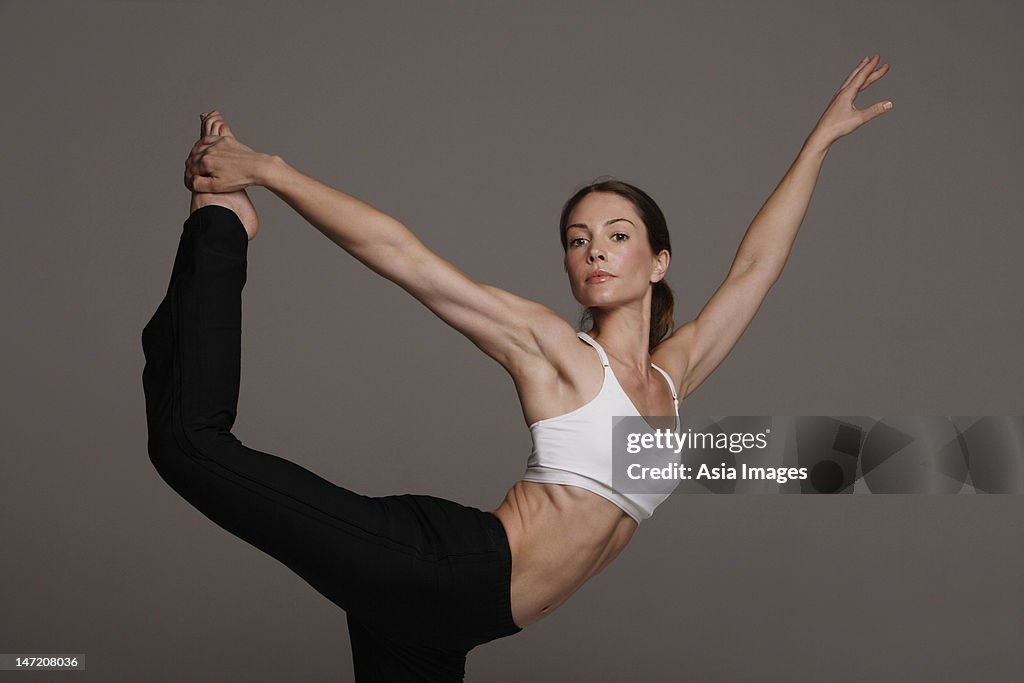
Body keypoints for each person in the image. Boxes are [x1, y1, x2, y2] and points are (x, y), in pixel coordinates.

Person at [142, 55, 892, 681]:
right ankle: (222, 221)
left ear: (659, 261)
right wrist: (270, 171)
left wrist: (818, 143)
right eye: (577, 238)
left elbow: (756, 269)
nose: (594, 249)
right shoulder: (556, 352)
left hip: (451, 628)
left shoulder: (671, 379)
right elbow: (404, 257)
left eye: (617, 234)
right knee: (190, 444)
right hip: (438, 566)